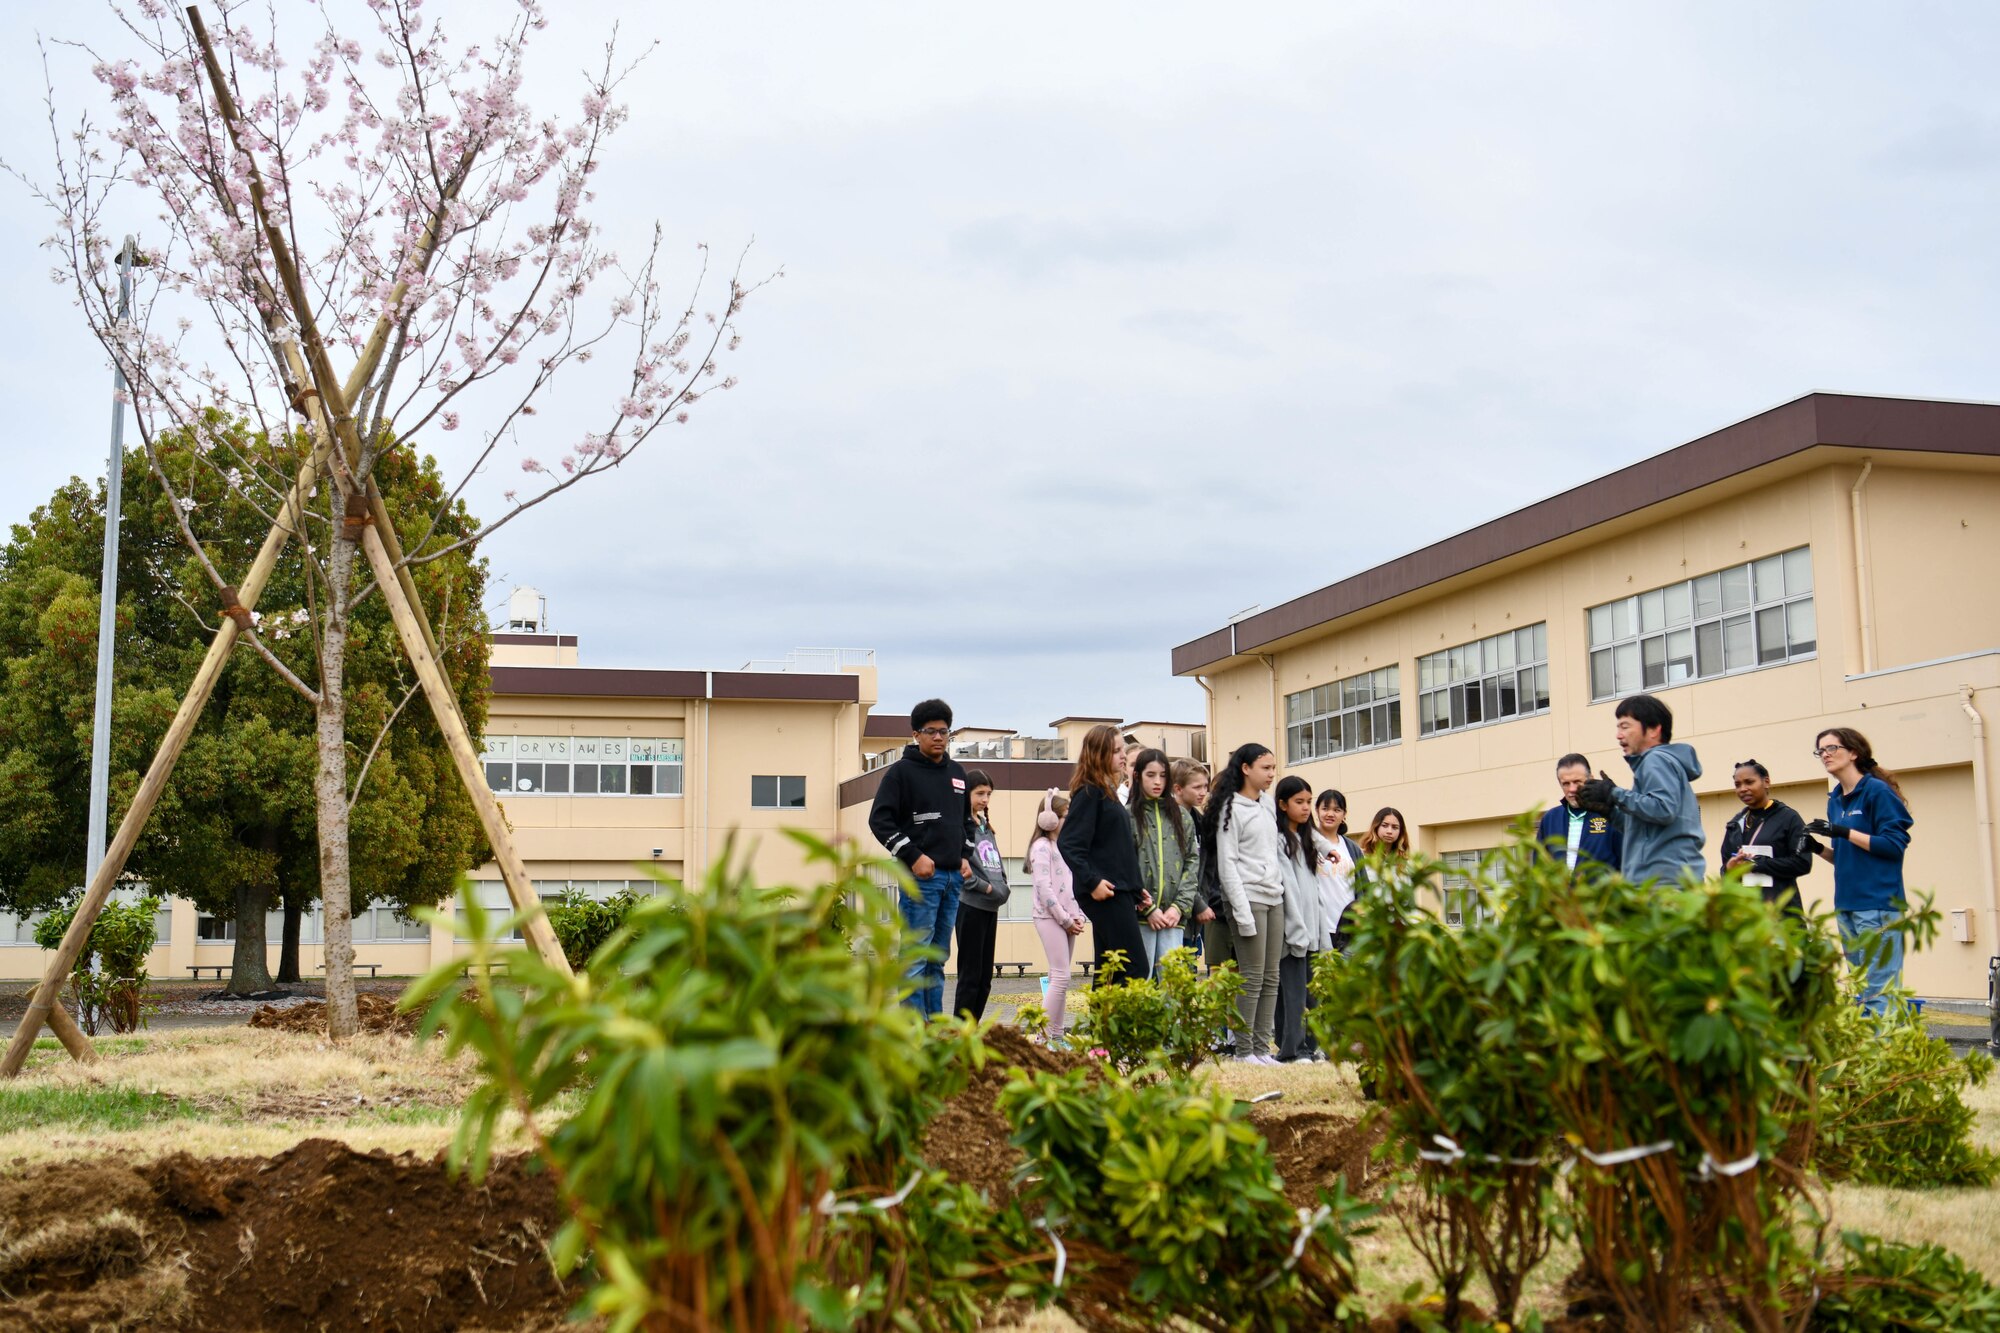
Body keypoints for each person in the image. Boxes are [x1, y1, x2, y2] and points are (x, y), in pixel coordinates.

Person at [868, 699, 978, 1017]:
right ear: (916, 734)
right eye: (931, 731)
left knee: (938, 957)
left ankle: (935, 1027)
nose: (939, 738)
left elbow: (966, 821)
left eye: (945, 731)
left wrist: (964, 856)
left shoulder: (958, 773)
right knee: (916, 956)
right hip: (921, 879)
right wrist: (913, 856)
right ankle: (913, 1029)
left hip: (952, 878)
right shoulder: (901, 773)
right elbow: (880, 820)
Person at [1806, 728, 1915, 1016]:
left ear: (1854, 752)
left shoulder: (1876, 792)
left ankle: (1886, 1058)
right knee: (1861, 992)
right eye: (1820, 751)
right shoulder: (1835, 799)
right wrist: (1817, 848)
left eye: (1832, 748)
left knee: (1880, 992)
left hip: (1878, 905)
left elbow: (1893, 846)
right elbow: (1846, 858)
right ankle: (1869, 1058)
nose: (1825, 755)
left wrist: (1843, 831)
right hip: (1846, 906)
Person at [1206, 742, 1284, 1065]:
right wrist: (1241, 912)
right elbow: (1228, 865)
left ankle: (1263, 1049)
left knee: (1271, 976)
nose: (1271, 774)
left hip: (1273, 896)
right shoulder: (1229, 808)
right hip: (1247, 898)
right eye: (1265, 768)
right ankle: (1243, 1049)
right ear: (1245, 769)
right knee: (1250, 976)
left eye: (1273, 768)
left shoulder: (1266, 806)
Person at [1575, 694, 1705, 885]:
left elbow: (1663, 809)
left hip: (1663, 884)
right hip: (1669, 880)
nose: (1619, 735)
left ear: (1653, 730)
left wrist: (1613, 793)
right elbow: (1644, 828)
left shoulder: (1655, 760)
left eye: (1625, 726)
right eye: (1618, 728)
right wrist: (1610, 811)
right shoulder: (1662, 762)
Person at [1059, 724, 1154, 985]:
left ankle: (1102, 1026)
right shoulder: (1090, 793)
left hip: (1119, 890)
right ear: (1099, 755)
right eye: (1116, 750)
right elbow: (1069, 843)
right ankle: (1120, 1026)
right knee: (1134, 968)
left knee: (1109, 969)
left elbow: (1115, 849)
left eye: (1123, 749)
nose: (1123, 755)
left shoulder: (1106, 793)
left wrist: (1136, 889)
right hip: (1106, 892)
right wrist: (1092, 882)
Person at [1274, 776, 1329, 1063]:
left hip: (1312, 929)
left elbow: (1322, 841)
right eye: (1299, 802)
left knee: (1312, 993)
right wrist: (1296, 929)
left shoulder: (1307, 839)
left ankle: (1311, 1045)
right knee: (1292, 995)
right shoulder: (1281, 840)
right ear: (1282, 805)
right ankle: (1290, 1050)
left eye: (1309, 801)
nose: (1307, 808)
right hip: (1293, 930)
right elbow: (1289, 890)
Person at [1129, 748, 1198, 972]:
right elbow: (1122, 865)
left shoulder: (1182, 815)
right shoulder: (1127, 815)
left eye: (1163, 775)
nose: (1157, 781)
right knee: (1141, 983)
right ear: (1138, 776)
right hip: (1140, 917)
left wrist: (1179, 907)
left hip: (1173, 917)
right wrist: (1146, 908)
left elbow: (1192, 861)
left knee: (1172, 986)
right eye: (1151, 775)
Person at [1718, 759, 1813, 918]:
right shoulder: (1735, 824)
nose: (1743, 789)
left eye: (1749, 782)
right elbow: (1725, 867)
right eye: (1738, 784)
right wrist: (1730, 869)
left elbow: (1803, 863)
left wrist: (1757, 864)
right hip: (1745, 914)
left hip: (1781, 913)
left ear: (1766, 782)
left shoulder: (1788, 818)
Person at [1027, 789, 1085, 1047]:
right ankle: (1044, 1037)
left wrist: (1078, 915)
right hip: (1050, 918)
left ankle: (1057, 1036)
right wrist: (1065, 919)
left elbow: (1072, 886)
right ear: (1048, 819)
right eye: (1064, 816)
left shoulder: (1063, 847)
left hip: (1066, 920)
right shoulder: (1041, 847)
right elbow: (1044, 888)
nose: (1068, 820)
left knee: (1060, 976)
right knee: (1060, 977)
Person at [953, 769, 1011, 1023]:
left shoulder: (985, 826)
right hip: (971, 906)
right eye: (979, 793)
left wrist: (1002, 886)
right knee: (970, 976)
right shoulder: (960, 827)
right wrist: (985, 888)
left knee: (985, 978)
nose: (985, 799)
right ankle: (958, 1033)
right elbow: (961, 869)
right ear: (966, 793)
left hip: (991, 908)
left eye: (988, 794)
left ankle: (972, 1029)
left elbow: (995, 863)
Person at [1535, 753, 1623, 879]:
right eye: (1566, 783)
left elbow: (1627, 864)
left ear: (1591, 779)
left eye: (1577, 782)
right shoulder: (1550, 819)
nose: (1572, 789)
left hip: (1602, 897)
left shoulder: (1611, 815)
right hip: (1562, 898)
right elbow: (1539, 867)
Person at [1314, 789, 1363, 952]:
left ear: (1344, 814)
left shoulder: (1352, 848)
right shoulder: (1309, 844)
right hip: (1319, 927)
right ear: (1317, 811)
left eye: (1337, 810)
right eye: (1325, 808)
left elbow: (1363, 888)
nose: (1330, 814)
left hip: (1349, 928)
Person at [1173, 760, 1211, 963]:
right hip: (1177, 910)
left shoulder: (1199, 820)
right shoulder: (1172, 819)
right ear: (1178, 789)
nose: (1203, 792)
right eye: (1197, 787)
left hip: (1196, 909)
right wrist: (1198, 904)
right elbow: (1179, 869)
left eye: (1205, 786)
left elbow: (1204, 867)